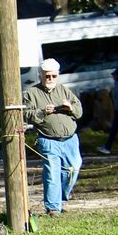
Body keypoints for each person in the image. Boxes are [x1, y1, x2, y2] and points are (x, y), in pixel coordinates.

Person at [23, 57, 83, 217]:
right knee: (51, 174)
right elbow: (26, 114)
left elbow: (79, 110)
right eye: (47, 76)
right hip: (48, 140)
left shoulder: (64, 90)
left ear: (58, 75)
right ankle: (53, 208)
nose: (50, 79)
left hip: (70, 139)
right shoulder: (31, 93)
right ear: (40, 75)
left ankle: (62, 199)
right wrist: (42, 112)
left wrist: (71, 108)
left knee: (73, 169)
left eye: (54, 76)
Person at [97, 67, 118, 155]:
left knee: (114, 130)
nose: (113, 77)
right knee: (114, 130)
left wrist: (117, 109)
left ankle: (107, 147)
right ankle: (107, 147)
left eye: (115, 75)